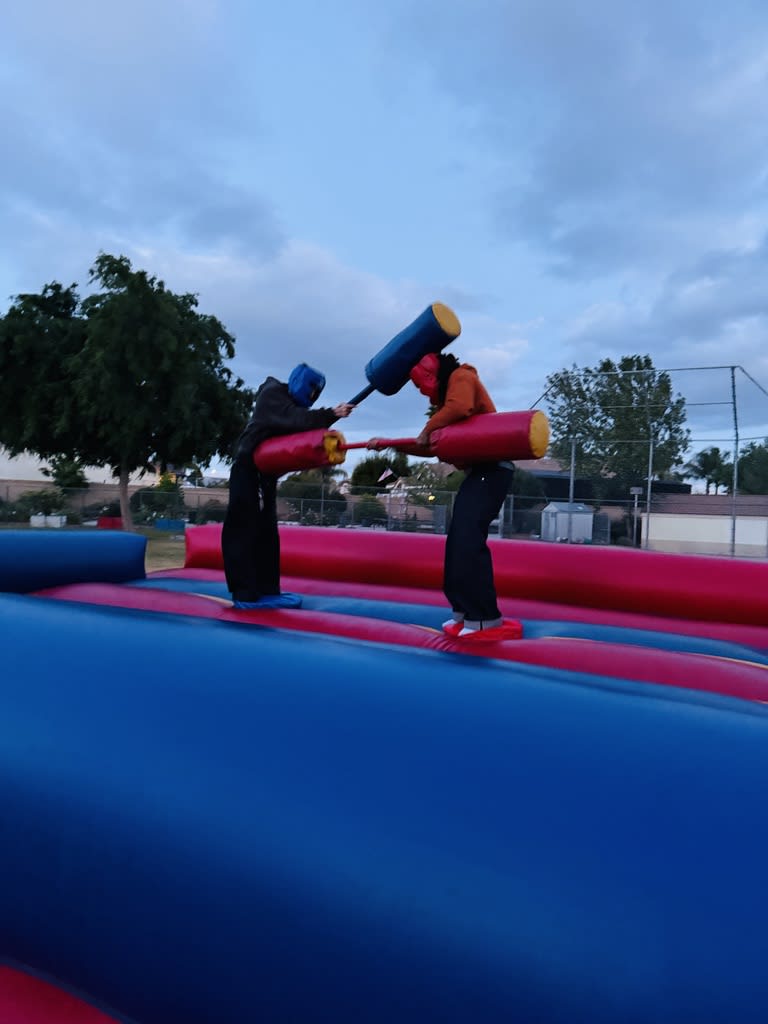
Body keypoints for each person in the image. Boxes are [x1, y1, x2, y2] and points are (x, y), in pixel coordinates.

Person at [372, 351, 513, 638]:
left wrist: (428, 427)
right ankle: (463, 611)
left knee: (469, 540)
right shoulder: (446, 409)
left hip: (492, 470)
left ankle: (485, 617)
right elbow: (431, 446)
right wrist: (390, 443)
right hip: (478, 474)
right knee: (457, 541)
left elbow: (459, 407)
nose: (422, 393)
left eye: (420, 384)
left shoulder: (462, 377)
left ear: (432, 375)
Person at [223, 363, 354, 609]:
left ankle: (267, 588)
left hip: (265, 473)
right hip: (247, 468)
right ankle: (244, 592)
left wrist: (329, 418)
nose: (311, 397)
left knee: (267, 532)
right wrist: (331, 414)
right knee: (243, 527)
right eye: (311, 391)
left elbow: (298, 428)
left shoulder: (288, 404)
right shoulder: (272, 395)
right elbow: (296, 419)